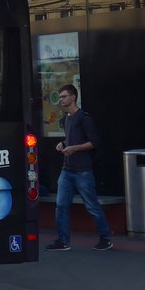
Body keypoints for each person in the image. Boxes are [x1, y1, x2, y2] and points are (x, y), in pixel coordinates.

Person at [45, 85, 114, 251]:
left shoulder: (84, 118)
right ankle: (63, 241)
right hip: (67, 169)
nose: (61, 100)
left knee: (91, 205)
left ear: (73, 97)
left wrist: (74, 148)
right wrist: (63, 144)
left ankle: (105, 237)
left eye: (64, 96)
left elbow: (94, 142)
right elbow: (70, 139)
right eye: (60, 97)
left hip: (83, 170)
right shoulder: (67, 119)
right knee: (61, 206)